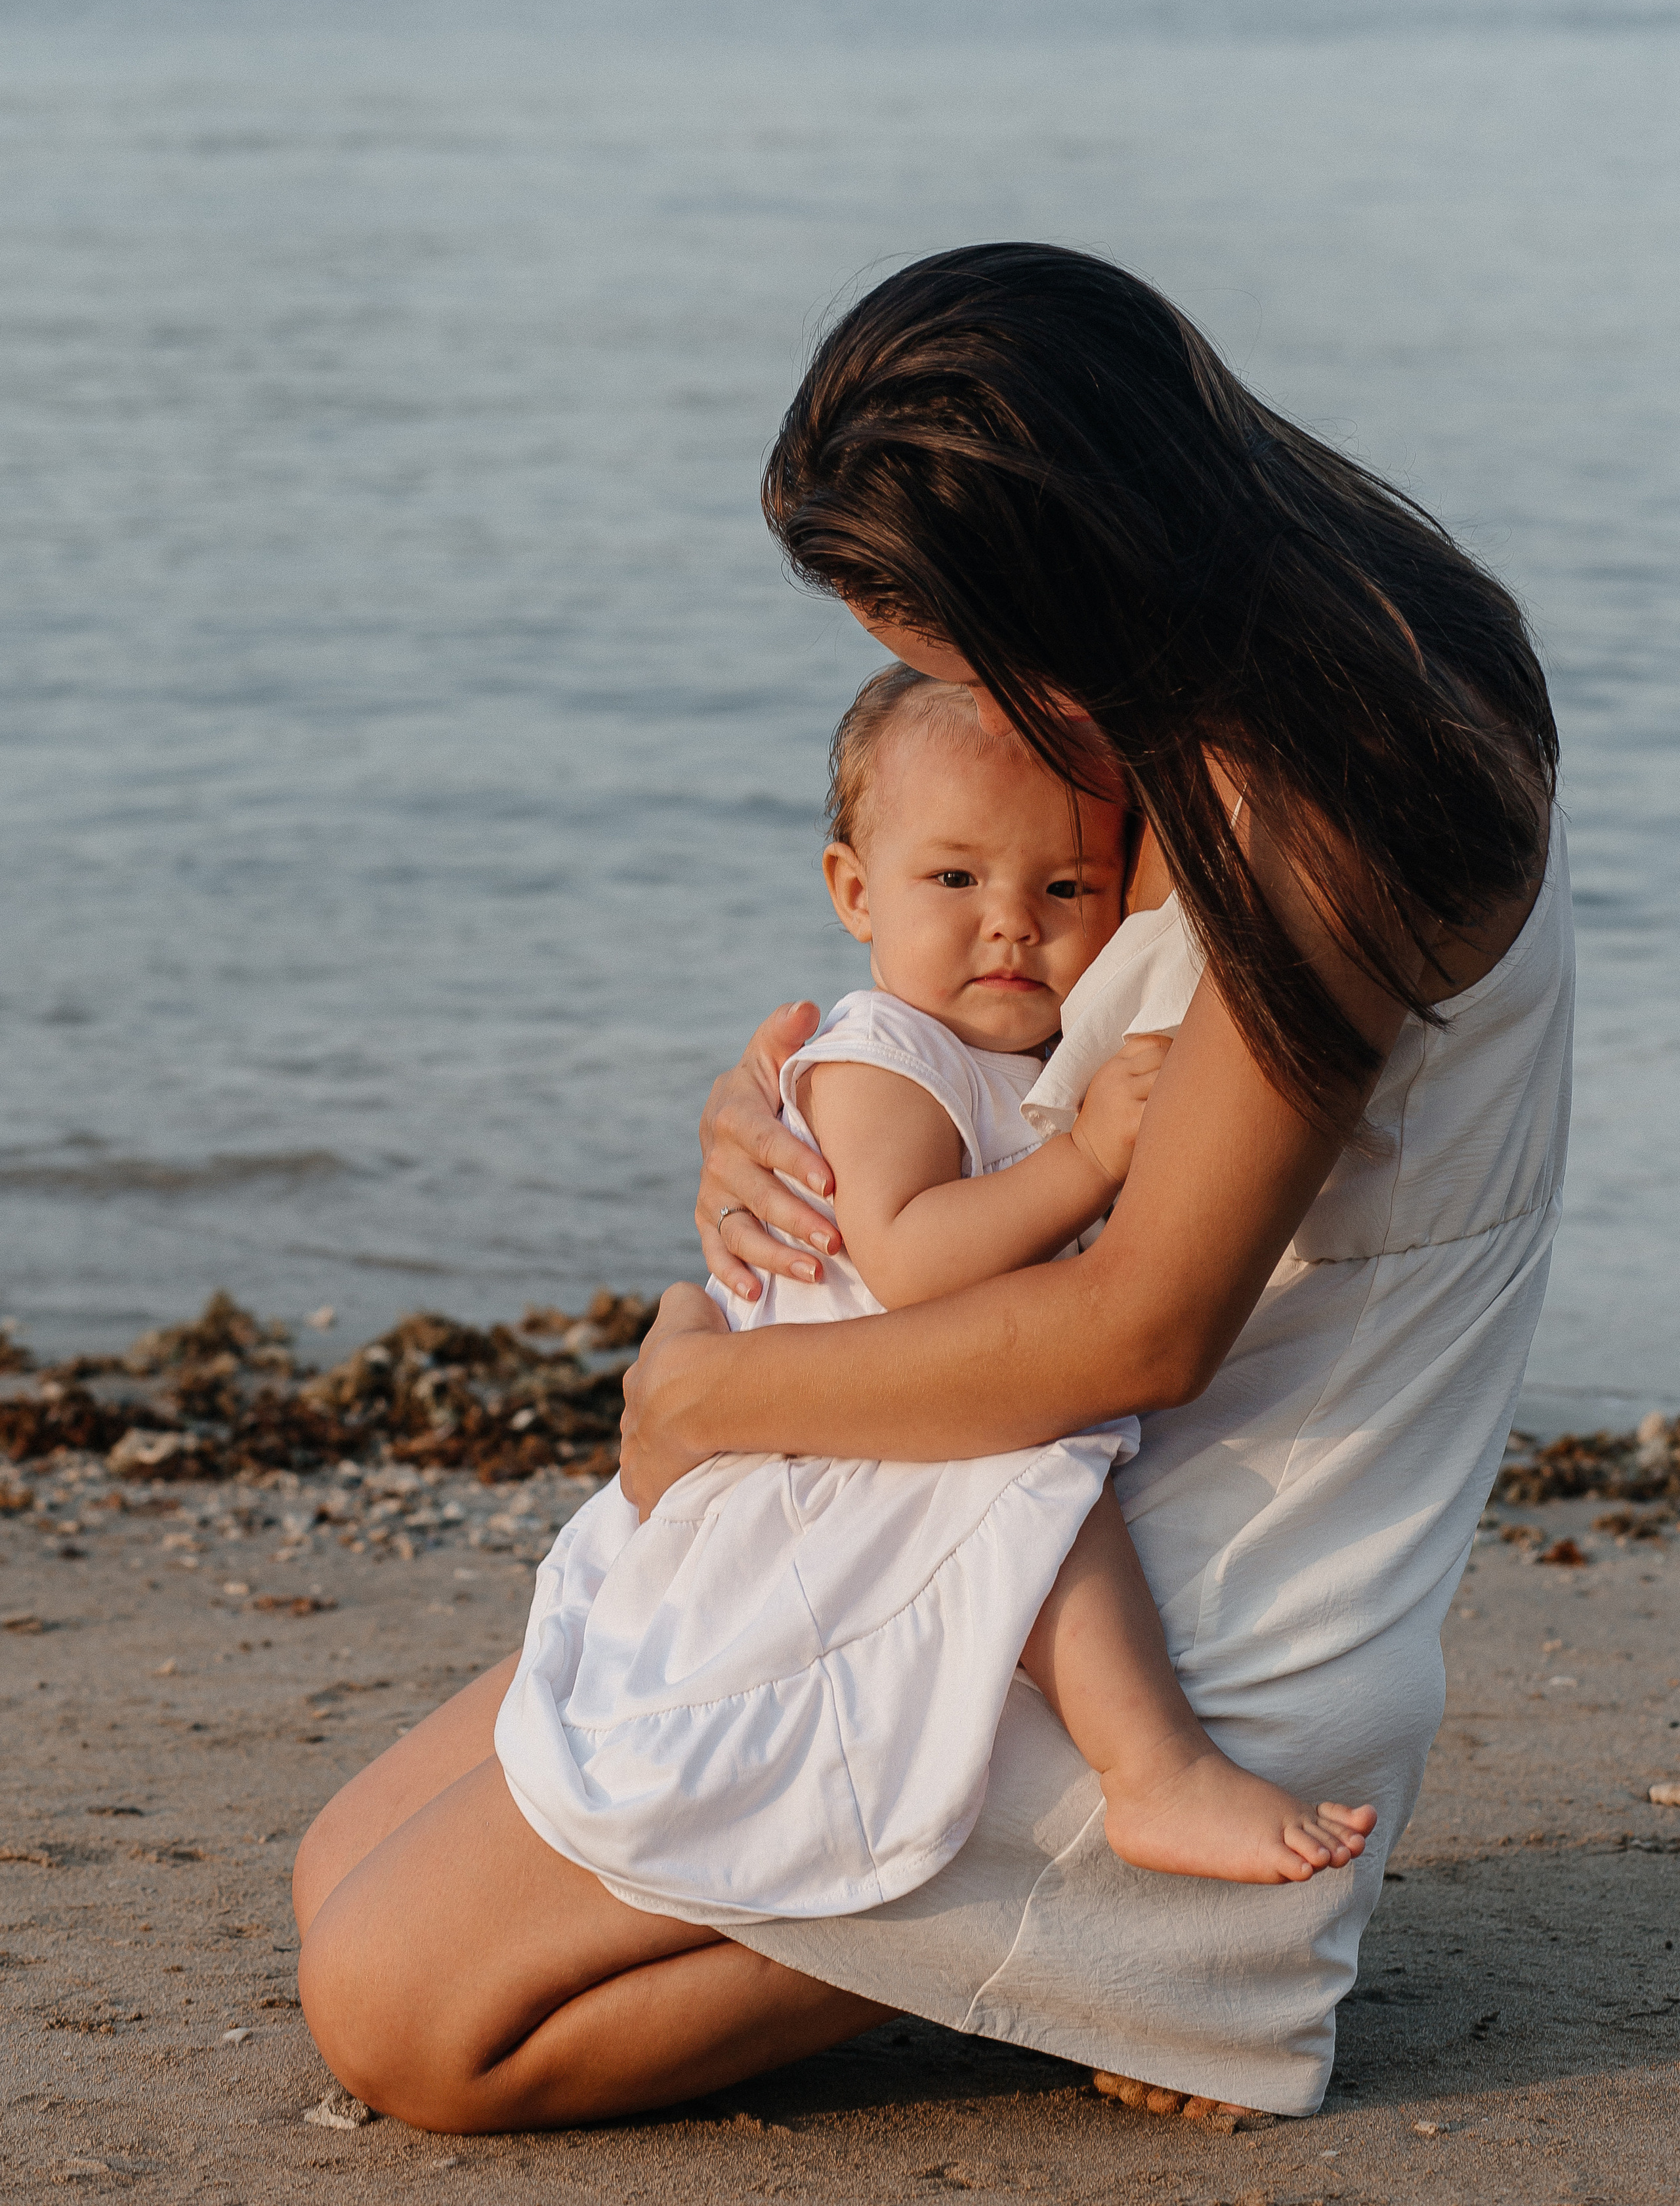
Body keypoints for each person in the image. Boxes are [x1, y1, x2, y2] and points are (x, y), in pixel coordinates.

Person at [292, 244, 1570, 2134]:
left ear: (1078, 560)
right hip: (1022, 1476)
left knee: (406, 2020)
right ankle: (1030, 1936)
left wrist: (712, 1398)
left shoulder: (1331, 792)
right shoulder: (1237, 665)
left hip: (1179, 1582)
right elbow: (1026, 1060)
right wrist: (804, 1103)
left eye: (967, 651)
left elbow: (1144, 1324)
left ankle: (1153, 1931)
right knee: (341, 1870)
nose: (972, 705)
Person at [494, 663, 1376, 1920]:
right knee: (1044, 1492)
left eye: (1064, 888)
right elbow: (908, 1258)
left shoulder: (1026, 1054)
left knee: (1042, 1483)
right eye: (956, 880)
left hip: (884, 1403)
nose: (1010, 924)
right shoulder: (882, 1056)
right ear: (857, 892)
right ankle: (1156, 1771)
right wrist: (1088, 1159)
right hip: (847, 1423)